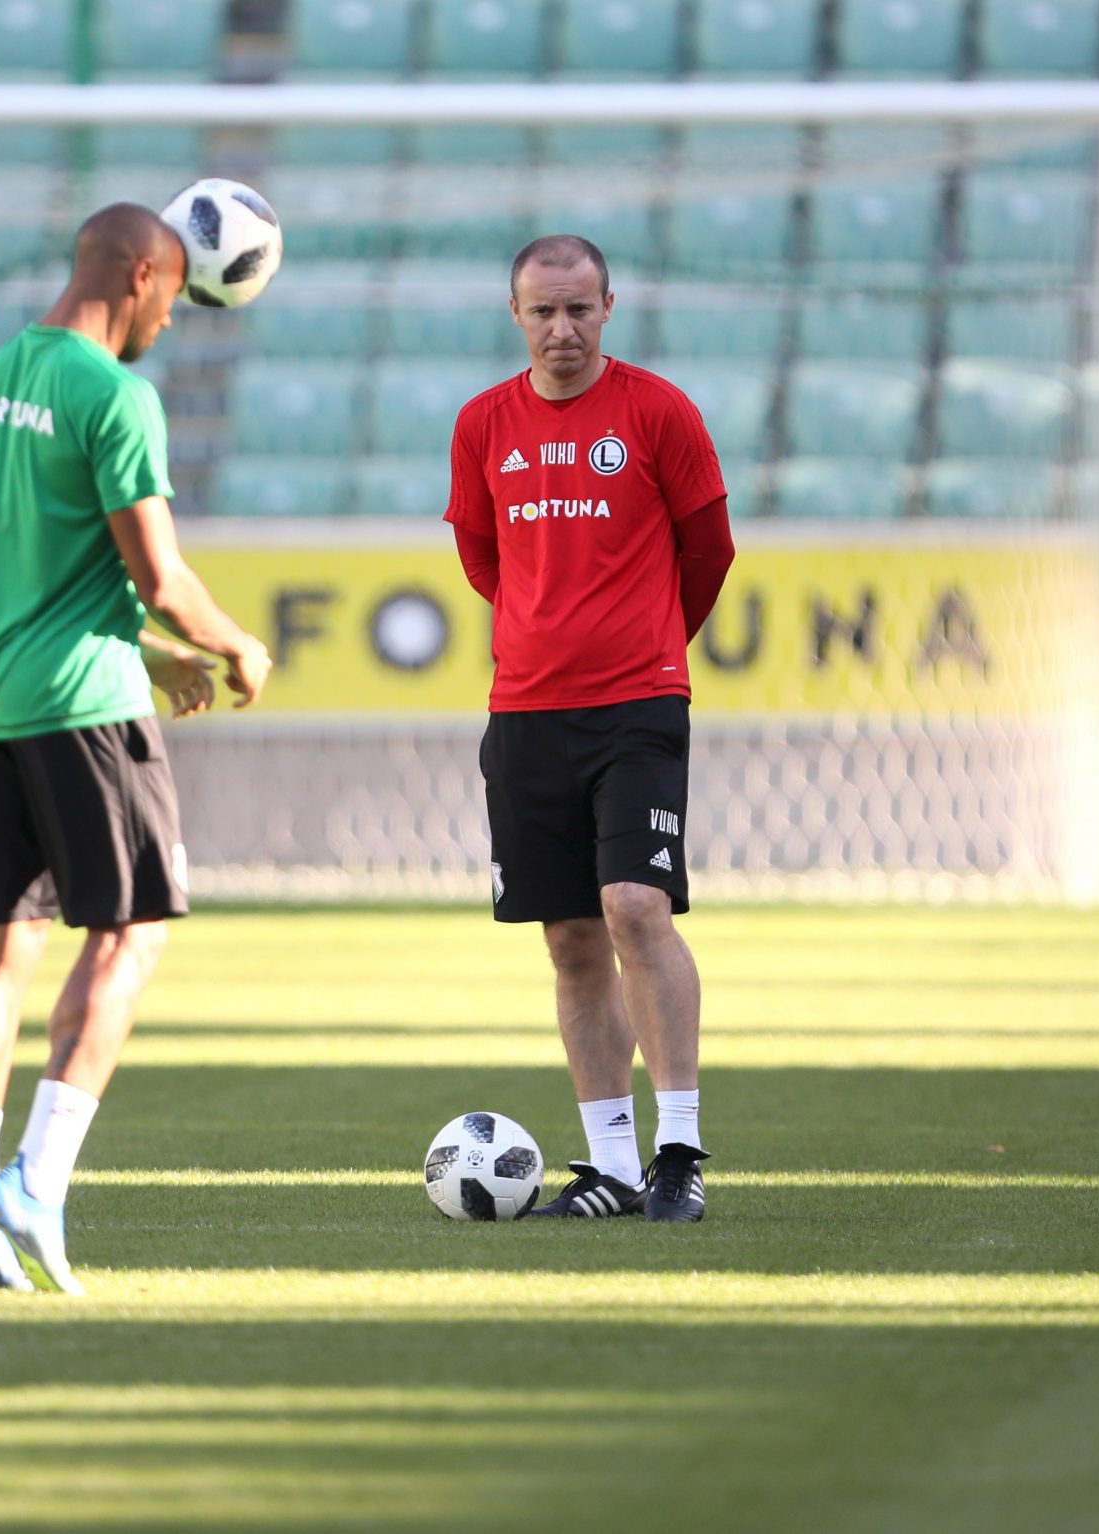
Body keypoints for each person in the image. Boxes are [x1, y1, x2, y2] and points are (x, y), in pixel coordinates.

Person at [0, 204, 273, 1294]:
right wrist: (229, 646)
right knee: (133, 934)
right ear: (137, 272)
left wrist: (155, 653)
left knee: (0, 943)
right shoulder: (117, 395)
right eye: (173, 293)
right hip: (81, 701)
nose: (172, 320)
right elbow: (160, 573)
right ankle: (36, 1179)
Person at [443, 234, 737, 1222]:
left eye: (579, 309)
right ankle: (609, 1165)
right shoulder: (482, 424)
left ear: (609, 306)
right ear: (515, 315)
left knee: (635, 908)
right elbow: (485, 564)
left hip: (637, 705)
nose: (561, 328)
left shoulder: (659, 413)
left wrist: (649, 640)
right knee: (570, 936)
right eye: (542, 312)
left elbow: (708, 550)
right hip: (525, 711)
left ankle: (680, 1150)